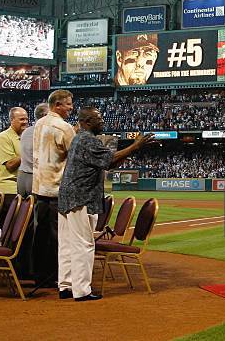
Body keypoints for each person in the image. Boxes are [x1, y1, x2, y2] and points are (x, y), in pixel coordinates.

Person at [57, 107, 155, 301]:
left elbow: (108, 163)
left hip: (69, 196)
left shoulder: (80, 138)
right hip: (80, 197)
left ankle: (66, 286)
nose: (102, 121)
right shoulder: (87, 139)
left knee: (68, 243)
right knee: (83, 244)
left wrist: (129, 151)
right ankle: (82, 291)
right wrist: (135, 146)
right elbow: (109, 159)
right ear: (85, 122)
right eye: (97, 118)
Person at [32, 90, 75, 287]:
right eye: (68, 104)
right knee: (60, 238)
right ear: (57, 105)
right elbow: (75, 158)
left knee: (41, 235)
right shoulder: (64, 127)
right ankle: (58, 276)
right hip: (57, 190)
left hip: (39, 189)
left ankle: (40, 275)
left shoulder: (39, 124)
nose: (71, 107)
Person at [16, 103, 48, 279]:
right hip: (36, 179)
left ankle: (21, 265)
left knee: (23, 224)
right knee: (39, 225)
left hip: (23, 177)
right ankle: (36, 269)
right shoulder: (43, 131)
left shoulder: (26, 132)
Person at [0, 107, 28, 241]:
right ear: (12, 120)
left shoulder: (23, 138)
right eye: (21, 119)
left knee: (18, 235)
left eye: (27, 119)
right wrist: (29, 150)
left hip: (20, 190)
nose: (25, 122)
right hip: (7, 192)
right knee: (12, 234)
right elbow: (11, 165)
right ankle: (7, 259)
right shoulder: (4, 137)